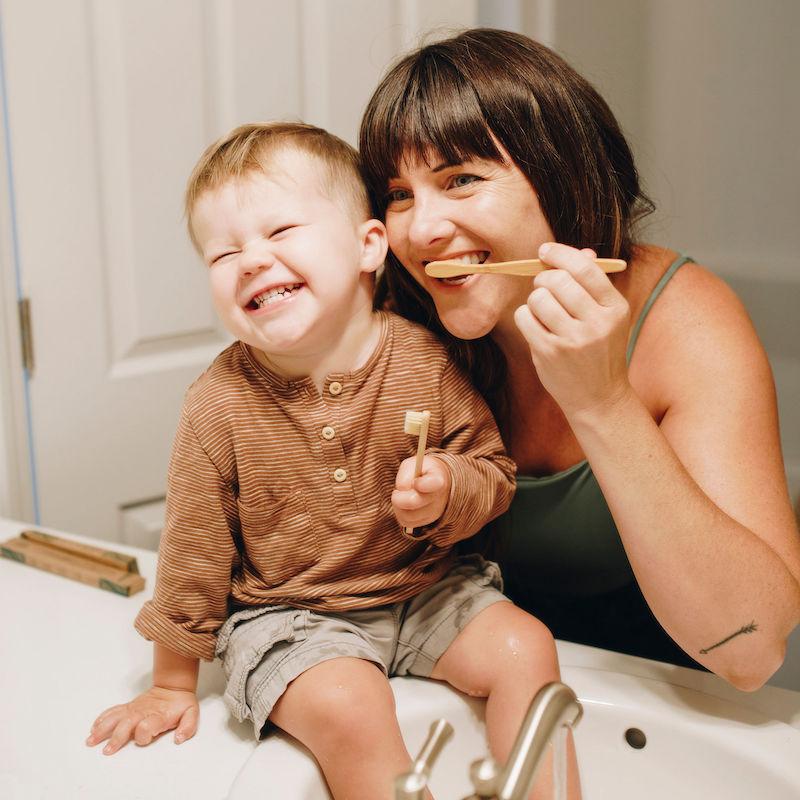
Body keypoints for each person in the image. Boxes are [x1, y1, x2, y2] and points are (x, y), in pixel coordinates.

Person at [85, 122, 580, 800]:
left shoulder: (425, 359)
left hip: (428, 590)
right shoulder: (217, 405)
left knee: (526, 647)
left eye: (280, 232)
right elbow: (192, 551)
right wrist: (171, 684)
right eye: (223, 254)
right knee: (351, 705)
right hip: (293, 617)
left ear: (367, 246)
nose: (251, 260)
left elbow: (491, 471)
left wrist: (447, 491)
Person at [358, 28, 800, 689]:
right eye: (399, 194)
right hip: (478, 675)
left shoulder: (686, 322)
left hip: (662, 689)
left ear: (559, 171)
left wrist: (603, 402)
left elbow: (751, 652)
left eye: (461, 179)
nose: (420, 232)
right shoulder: (392, 324)